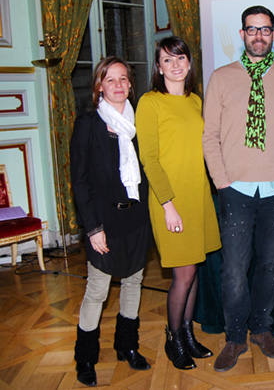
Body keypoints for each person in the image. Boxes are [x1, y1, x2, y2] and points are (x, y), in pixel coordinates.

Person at [203, 5, 274, 372]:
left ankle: (262, 328)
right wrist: (221, 182)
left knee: (270, 266)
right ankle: (234, 337)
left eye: (265, 29)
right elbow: (209, 136)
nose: (258, 35)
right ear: (242, 34)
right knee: (232, 269)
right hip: (235, 189)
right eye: (251, 29)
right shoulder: (221, 77)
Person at [136, 37, 221, 370]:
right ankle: (174, 340)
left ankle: (187, 334)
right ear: (158, 67)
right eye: (167, 60)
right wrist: (168, 204)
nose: (175, 65)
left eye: (180, 58)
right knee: (183, 274)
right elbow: (150, 159)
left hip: (197, 195)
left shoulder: (196, 100)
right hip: (168, 200)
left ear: (189, 63)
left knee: (194, 267)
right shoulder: (150, 102)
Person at [70, 57, 153, 387]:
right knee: (97, 291)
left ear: (130, 85)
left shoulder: (138, 125)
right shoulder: (88, 124)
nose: (118, 85)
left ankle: (127, 346)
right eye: (110, 79)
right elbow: (80, 182)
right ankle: (86, 357)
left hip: (136, 217)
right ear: (99, 87)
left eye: (123, 79)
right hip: (102, 223)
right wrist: (92, 228)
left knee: (133, 283)